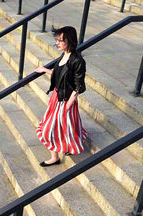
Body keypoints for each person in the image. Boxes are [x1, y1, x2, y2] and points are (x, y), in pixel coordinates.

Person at [34, 26, 88, 167]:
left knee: (51, 128)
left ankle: (55, 158)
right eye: (57, 40)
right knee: (65, 127)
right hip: (57, 97)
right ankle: (59, 152)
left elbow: (78, 86)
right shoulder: (64, 54)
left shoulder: (77, 61)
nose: (57, 43)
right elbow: (61, 76)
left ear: (69, 41)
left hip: (65, 100)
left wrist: (68, 105)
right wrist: (45, 70)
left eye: (60, 40)